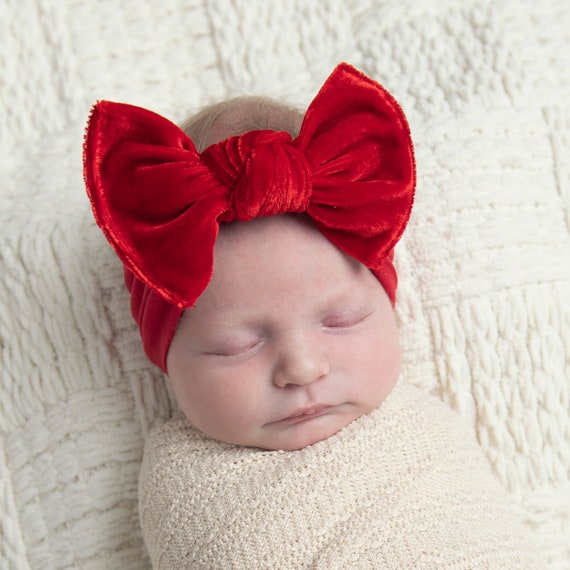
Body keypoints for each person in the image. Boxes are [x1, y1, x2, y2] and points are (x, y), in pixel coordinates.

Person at [83, 63, 539, 568]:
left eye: (341, 320)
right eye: (237, 345)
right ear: (164, 355)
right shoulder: (184, 486)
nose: (302, 369)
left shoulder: (428, 439)